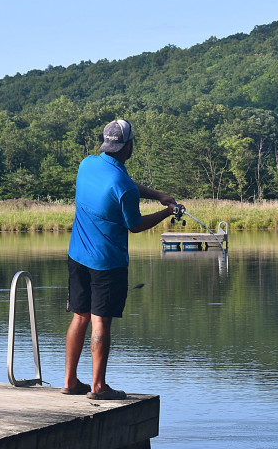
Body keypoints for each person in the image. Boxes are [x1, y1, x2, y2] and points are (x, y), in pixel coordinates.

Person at [61, 119, 180, 400]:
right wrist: (168, 212)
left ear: (106, 144)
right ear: (129, 146)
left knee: (80, 316)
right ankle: (98, 387)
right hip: (107, 263)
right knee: (101, 322)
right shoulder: (122, 186)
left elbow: (123, 183)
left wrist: (158, 196)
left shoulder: (87, 164)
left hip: (77, 255)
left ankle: (70, 381)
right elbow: (135, 224)